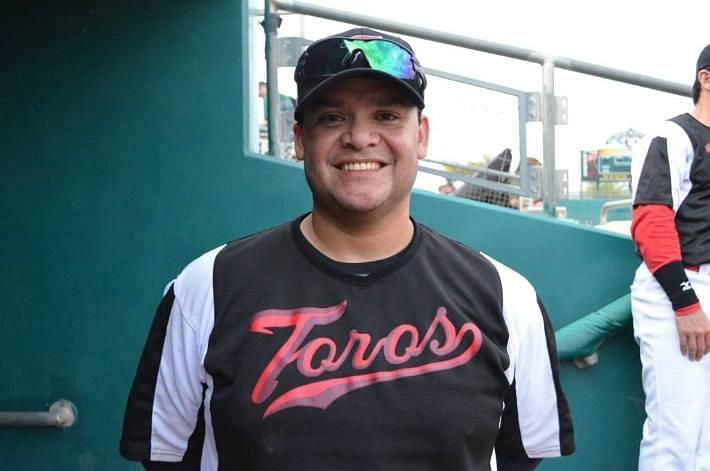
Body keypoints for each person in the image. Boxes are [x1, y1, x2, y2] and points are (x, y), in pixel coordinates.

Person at [120, 27, 574, 470]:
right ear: (301, 140)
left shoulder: (504, 296)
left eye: (387, 116)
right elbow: (166, 454)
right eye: (332, 118)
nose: (360, 138)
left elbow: (520, 454)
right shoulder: (207, 287)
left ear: (422, 135)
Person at [630, 43, 710, 470]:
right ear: (706, 78)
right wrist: (686, 303)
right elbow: (651, 220)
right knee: (676, 435)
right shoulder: (674, 134)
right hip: (679, 287)